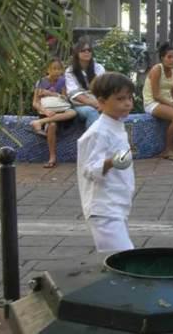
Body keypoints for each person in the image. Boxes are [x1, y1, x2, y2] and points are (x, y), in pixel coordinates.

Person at [77, 72, 135, 253]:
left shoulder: (117, 125)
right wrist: (112, 162)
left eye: (130, 98)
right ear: (102, 102)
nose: (127, 103)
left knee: (117, 260)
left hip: (117, 204)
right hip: (103, 208)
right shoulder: (98, 132)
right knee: (122, 259)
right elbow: (89, 169)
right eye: (120, 99)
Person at [31, 58, 77, 168]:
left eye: (59, 69)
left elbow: (65, 99)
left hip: (60, 112)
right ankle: (52, 157)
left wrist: (52, 94)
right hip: (46, 112)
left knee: (73, 112)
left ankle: (39, 122)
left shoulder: (63, 81)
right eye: (54, 68)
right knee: (52, 125)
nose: (57, 71)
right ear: (48, 70)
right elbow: (35, 103)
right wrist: (45, 111)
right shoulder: (41, 82)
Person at [65, 39, 104, 129]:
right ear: (77, 53)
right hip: (80, 105)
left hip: (98, 101)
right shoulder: (70, 71)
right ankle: (91, 142)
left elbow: (103, 89)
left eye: (89, 50)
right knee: (92, 111)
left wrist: (102, 104)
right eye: (83, 50)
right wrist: (95, 104)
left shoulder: (98, 68)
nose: (87, 52)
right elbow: (74, 94)